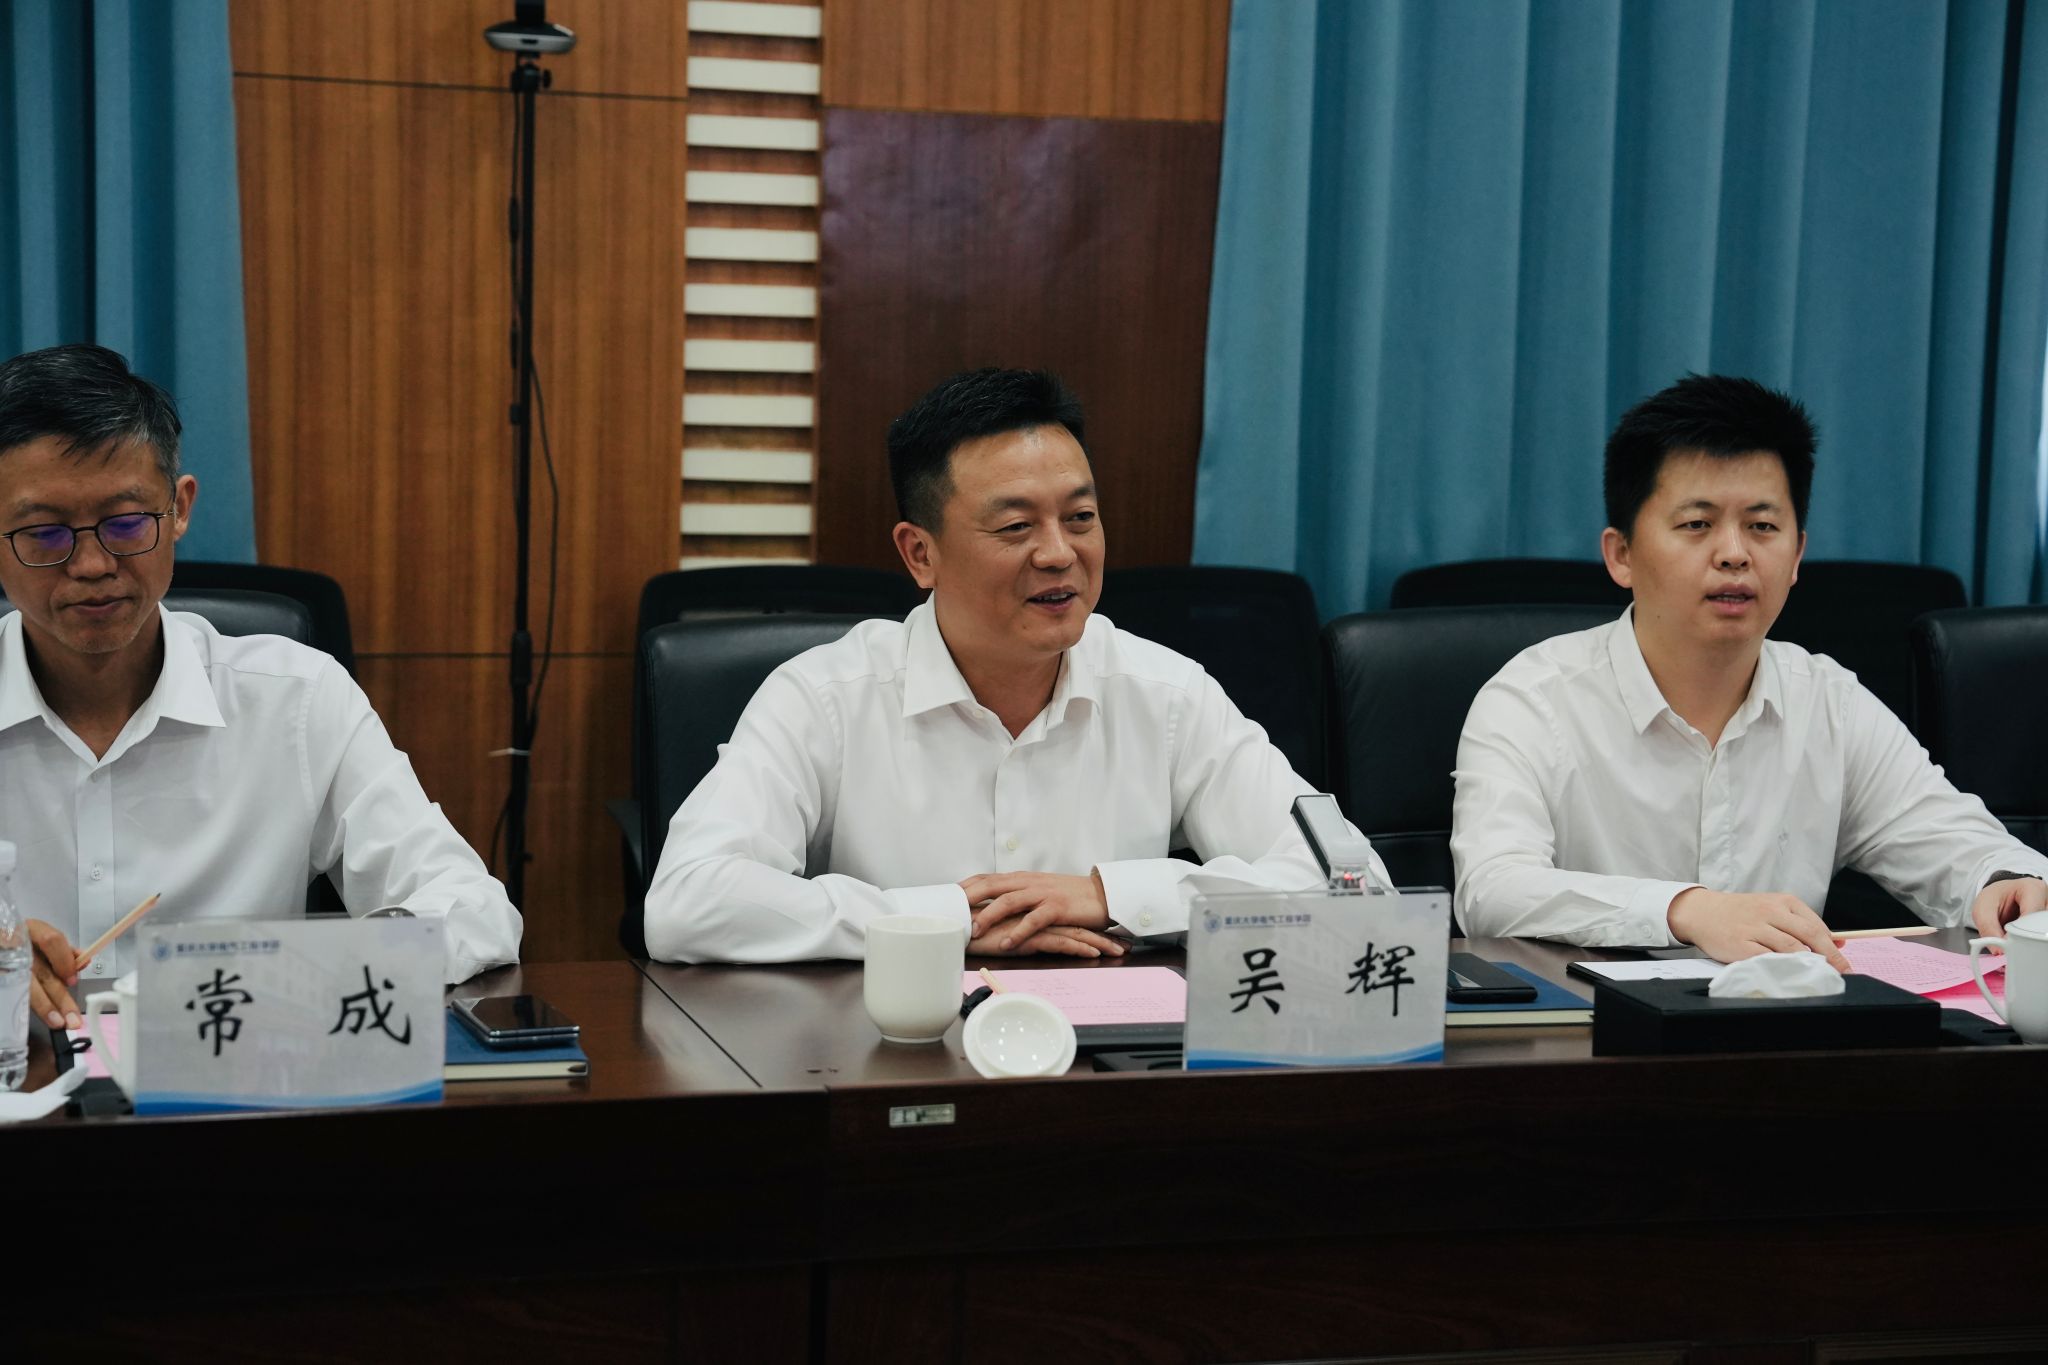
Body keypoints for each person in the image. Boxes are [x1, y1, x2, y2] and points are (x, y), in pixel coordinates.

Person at [644, 368, 1379, 963]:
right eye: (1017, 525)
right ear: (920, 553)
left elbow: (1355, 885)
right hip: (888, 1055)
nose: (1059, 553)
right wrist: (946, 918)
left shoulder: (1167, 694)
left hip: (1107, 1067)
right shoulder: (824, 698)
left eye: (1080, 518)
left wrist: (1115, 895)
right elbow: (687, 901)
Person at [0, 344, 520, 1030]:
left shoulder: (296, 701)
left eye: (126, 524)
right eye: (44, 534)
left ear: (179, 509)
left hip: (237, 1077)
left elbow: (472, 907)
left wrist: (332, 960)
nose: (93, 564)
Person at [1451, 373, 2048, 967]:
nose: (1735, 553)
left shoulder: (1829, 704)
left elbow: (1956, 845)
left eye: (1762, 526)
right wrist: (1684, 910)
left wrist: (2003, 883)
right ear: (1621, 555)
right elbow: (1492, 891)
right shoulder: (1533, 699)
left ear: (1797, 555)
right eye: (1697, 524)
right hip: (1589, 1022)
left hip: (1784, 1023)